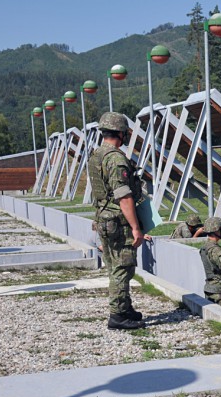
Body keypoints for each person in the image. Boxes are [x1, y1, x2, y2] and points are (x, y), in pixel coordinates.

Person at [88, 112, 146, 330]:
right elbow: (124, 196)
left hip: (103, 219)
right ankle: (118, 315)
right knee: (123, 267)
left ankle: (125, 308)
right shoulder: (115, 158)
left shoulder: (96, 155)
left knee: (114, 266)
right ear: (121, 133)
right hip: (118, 222)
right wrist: (135, 227)